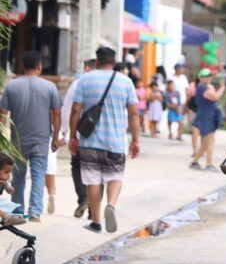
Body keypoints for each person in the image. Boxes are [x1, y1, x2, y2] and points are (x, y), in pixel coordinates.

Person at [68, 46, 141, 234]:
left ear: (97, 61)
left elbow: (76, 110)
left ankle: (96, 221)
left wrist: (72, 136)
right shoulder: (126, 82)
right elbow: (134, 113)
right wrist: (135, 140)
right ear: (114, 62)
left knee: (92, 180)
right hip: (115, 142)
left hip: (89, 141)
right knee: (115, 176)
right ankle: (111, 205)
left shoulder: (85, 79)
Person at [0, 51, 61, 222]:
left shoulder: (12, 86)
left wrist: (1, 136)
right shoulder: (49, 87)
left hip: (17, 140)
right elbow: (57, 114)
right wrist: (55, 138)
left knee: (18, 176)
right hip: (41, 140)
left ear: (23, 66)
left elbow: (3, 113)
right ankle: (35, 212)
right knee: (38, 175)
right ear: (39, 66)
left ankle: (18, 211)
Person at [190, 68, 226, 171]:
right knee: (207, 142)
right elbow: (215, 97)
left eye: (210, 76)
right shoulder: (201, 87)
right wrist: (222, 87)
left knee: (209, 141)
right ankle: (204, 163)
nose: (208, 78)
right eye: (206, 76)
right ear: (200, 78)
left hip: (209, 116)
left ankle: (199, 162)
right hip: (205, 117)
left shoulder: (205, 87)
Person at [0, 152, 27, 226]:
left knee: (7, 205)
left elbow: (9, 190)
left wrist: (10, 188)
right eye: (6, 172)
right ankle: (7, 218)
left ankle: (8, 217)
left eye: (9, 173)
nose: (8, 175)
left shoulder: (4, 182)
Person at [170, 62, 190, 142]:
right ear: (176, 68)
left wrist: (186, 101)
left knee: (180, 118)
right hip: (172, 101)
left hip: (182, 101)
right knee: (170, 118)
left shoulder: (184, 78)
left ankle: (179, 134)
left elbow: (186, 90)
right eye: (180, 67)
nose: (181, 69)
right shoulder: (171, 77)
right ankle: (170, 132)